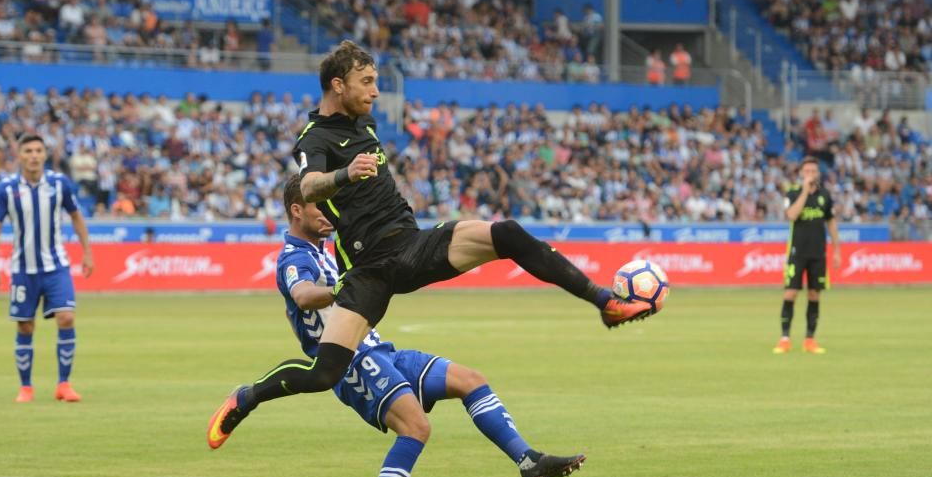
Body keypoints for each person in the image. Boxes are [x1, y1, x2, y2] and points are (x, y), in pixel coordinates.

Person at [207, 40, 653, 455]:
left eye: (376, 81)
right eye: (367, 82)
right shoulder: (314, 139)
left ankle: (604, 302)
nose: (377, 92)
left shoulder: (364, 121)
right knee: (324, 375)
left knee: (508, 233)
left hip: (413, 245)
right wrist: (346, 175)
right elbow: (309, 185)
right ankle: (244, 398)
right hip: (368, 270)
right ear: (337, 85)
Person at [222, 176, 585, 477]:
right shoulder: (294, 257)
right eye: (320, 206)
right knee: (416, 427)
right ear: (296, 210)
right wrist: (336, 291)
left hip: (380, 350)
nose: (329, 213)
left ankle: (528, 461)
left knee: (469, 380)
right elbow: (301, 295)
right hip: (353, 364)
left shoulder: (324, 249)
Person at [0, 134, 94, 402]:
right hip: (23, 268)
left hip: (56, 265)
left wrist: (87, 252)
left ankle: (64, 384)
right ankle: (26, 387)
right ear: (19, 155)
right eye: (28, 151)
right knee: (25, 326)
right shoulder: (6, 188)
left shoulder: (59, 184)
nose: (34, 155)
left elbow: (76, 216)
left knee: (67, 317)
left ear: (45, 154)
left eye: (38, 150)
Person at [773, 157, 840, 354]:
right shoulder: (793, 193)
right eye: (807, 170)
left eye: (813, 170)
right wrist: (804, 190)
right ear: (801, 173)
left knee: (814, 295)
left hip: (818, 253)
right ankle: (785, 338)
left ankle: (810, 339)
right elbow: (792, 215)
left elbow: (831, 223)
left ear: (818, 173)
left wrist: (837, 250)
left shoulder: (825, 195)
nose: (811, 173)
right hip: (797, 252)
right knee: (790, 293)